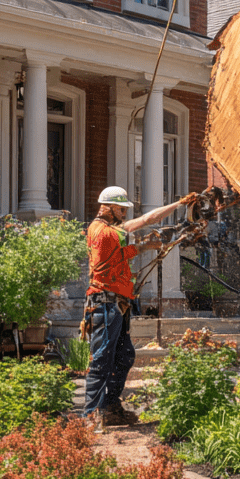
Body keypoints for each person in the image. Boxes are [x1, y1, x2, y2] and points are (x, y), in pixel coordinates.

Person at [83, 184, 197, 432]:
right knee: (101, 360)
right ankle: (90, 416)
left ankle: (110, 407)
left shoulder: (108, 230)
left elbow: (129, 244)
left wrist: (151, 243)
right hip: (105, 304)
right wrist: (177, 208)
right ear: (110, 208)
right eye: (121, 209)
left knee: (124, 356)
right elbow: (145, 223)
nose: (124, 213)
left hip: (117, 304)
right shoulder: (104, 232)